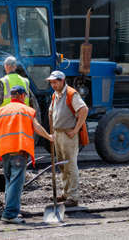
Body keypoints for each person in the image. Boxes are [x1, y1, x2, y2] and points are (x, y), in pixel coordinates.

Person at [0, 85, 53, 224]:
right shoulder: (27, 110)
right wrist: (49, 137)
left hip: (5, 152)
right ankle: (10, 214)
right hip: (19, 151)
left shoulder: (1, 110)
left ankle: (10, 209)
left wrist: (4, 137)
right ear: (21, 95)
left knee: (9, 182)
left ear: (12, 96)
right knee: (16, 183)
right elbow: (37, 127)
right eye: (24, 95)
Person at [47, 70, 88, 207]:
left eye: (55, 82)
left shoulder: (71, 94)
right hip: (58, 134)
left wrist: (76, 129)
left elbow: (84, 110)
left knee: (70, 165)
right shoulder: (55, 95)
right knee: (62, 166)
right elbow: (50, 112)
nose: (53, 84)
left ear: (62, 81)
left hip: (68, 134)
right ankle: (66, 193)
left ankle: (73, 196)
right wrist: (52, 132)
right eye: (51, 82)